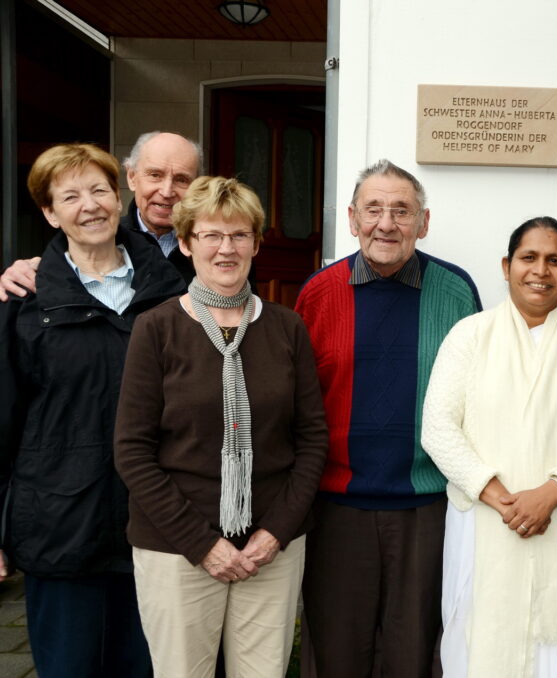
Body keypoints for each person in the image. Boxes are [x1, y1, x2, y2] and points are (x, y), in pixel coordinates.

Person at [114, 176, 328, 678]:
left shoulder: (286, 327)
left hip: (269, 549)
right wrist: (201, 543)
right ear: (186, 243)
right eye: (211, 235)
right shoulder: (156, 327)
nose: (225, 248)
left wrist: (275, 533)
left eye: (238, 235)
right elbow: (132, 451)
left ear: (255, 243)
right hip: (176, 548)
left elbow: (313, 440)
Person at [0, 143, 185, 677]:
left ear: (118, 195)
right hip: (60, 524)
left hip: (155, 527)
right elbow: (2, 420)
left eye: (99, 190)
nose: (90, 205)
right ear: (49, 212)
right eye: (70, 195)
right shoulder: (24, 301)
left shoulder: (174, 292)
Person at [421, 217, 557, 678]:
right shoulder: (469, 336)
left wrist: (551, 493)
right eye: (529, 258)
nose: (541, 270)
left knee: (554, 656)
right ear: (507, 265)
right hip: (483, 522)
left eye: (554, 260)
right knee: (474, 642)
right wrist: (503, 499)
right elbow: (437, 429)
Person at [294, 159, 481, 677]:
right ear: (352, 219)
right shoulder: (318, 293)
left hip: (427, 506)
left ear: (423, 222)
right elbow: (297, 403)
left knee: (416, 653)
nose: (386, 223)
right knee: (336, 653)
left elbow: (479, 397)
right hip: (336, 508)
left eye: (402, 210)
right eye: (373, 209)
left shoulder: (456, 292)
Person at [0, 131, 202, 300]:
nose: (167, 191)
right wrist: (28, 270)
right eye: (155, 175)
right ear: (131, 177)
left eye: (181, 179)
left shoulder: (214, 247)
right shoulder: (98, 237)